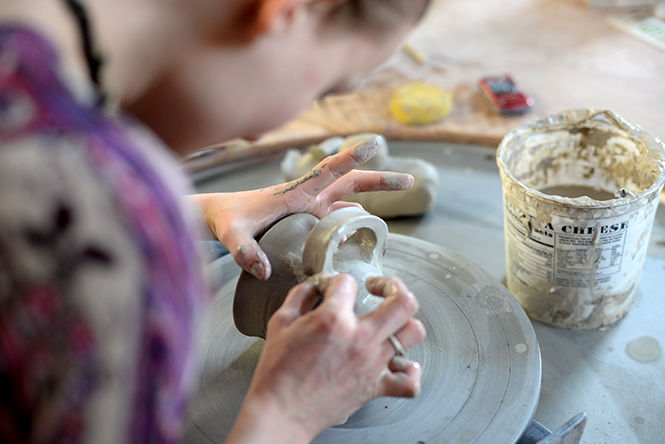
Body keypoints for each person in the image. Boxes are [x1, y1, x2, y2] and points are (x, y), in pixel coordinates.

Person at [0, 0, 429, 442]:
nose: (260, 134)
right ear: (289, 11)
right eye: (324, 88)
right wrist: (287, 413)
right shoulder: (115, 221)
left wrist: (199, 210)